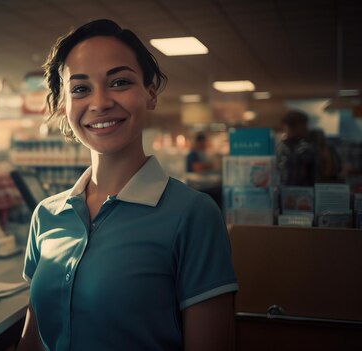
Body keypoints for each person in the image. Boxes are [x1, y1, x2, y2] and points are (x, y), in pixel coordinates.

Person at [17, 19, 238, 351]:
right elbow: (33, 337)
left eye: (119, 82)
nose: (100, 102)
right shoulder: (47, 215)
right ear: (63, 106)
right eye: (80, 88)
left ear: (150, 93)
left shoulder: (193, 215)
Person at [276, 110, 317, 186]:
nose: (307, 128)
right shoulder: (281, 148)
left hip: (302, 193)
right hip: (301, 193)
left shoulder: (307, 148)